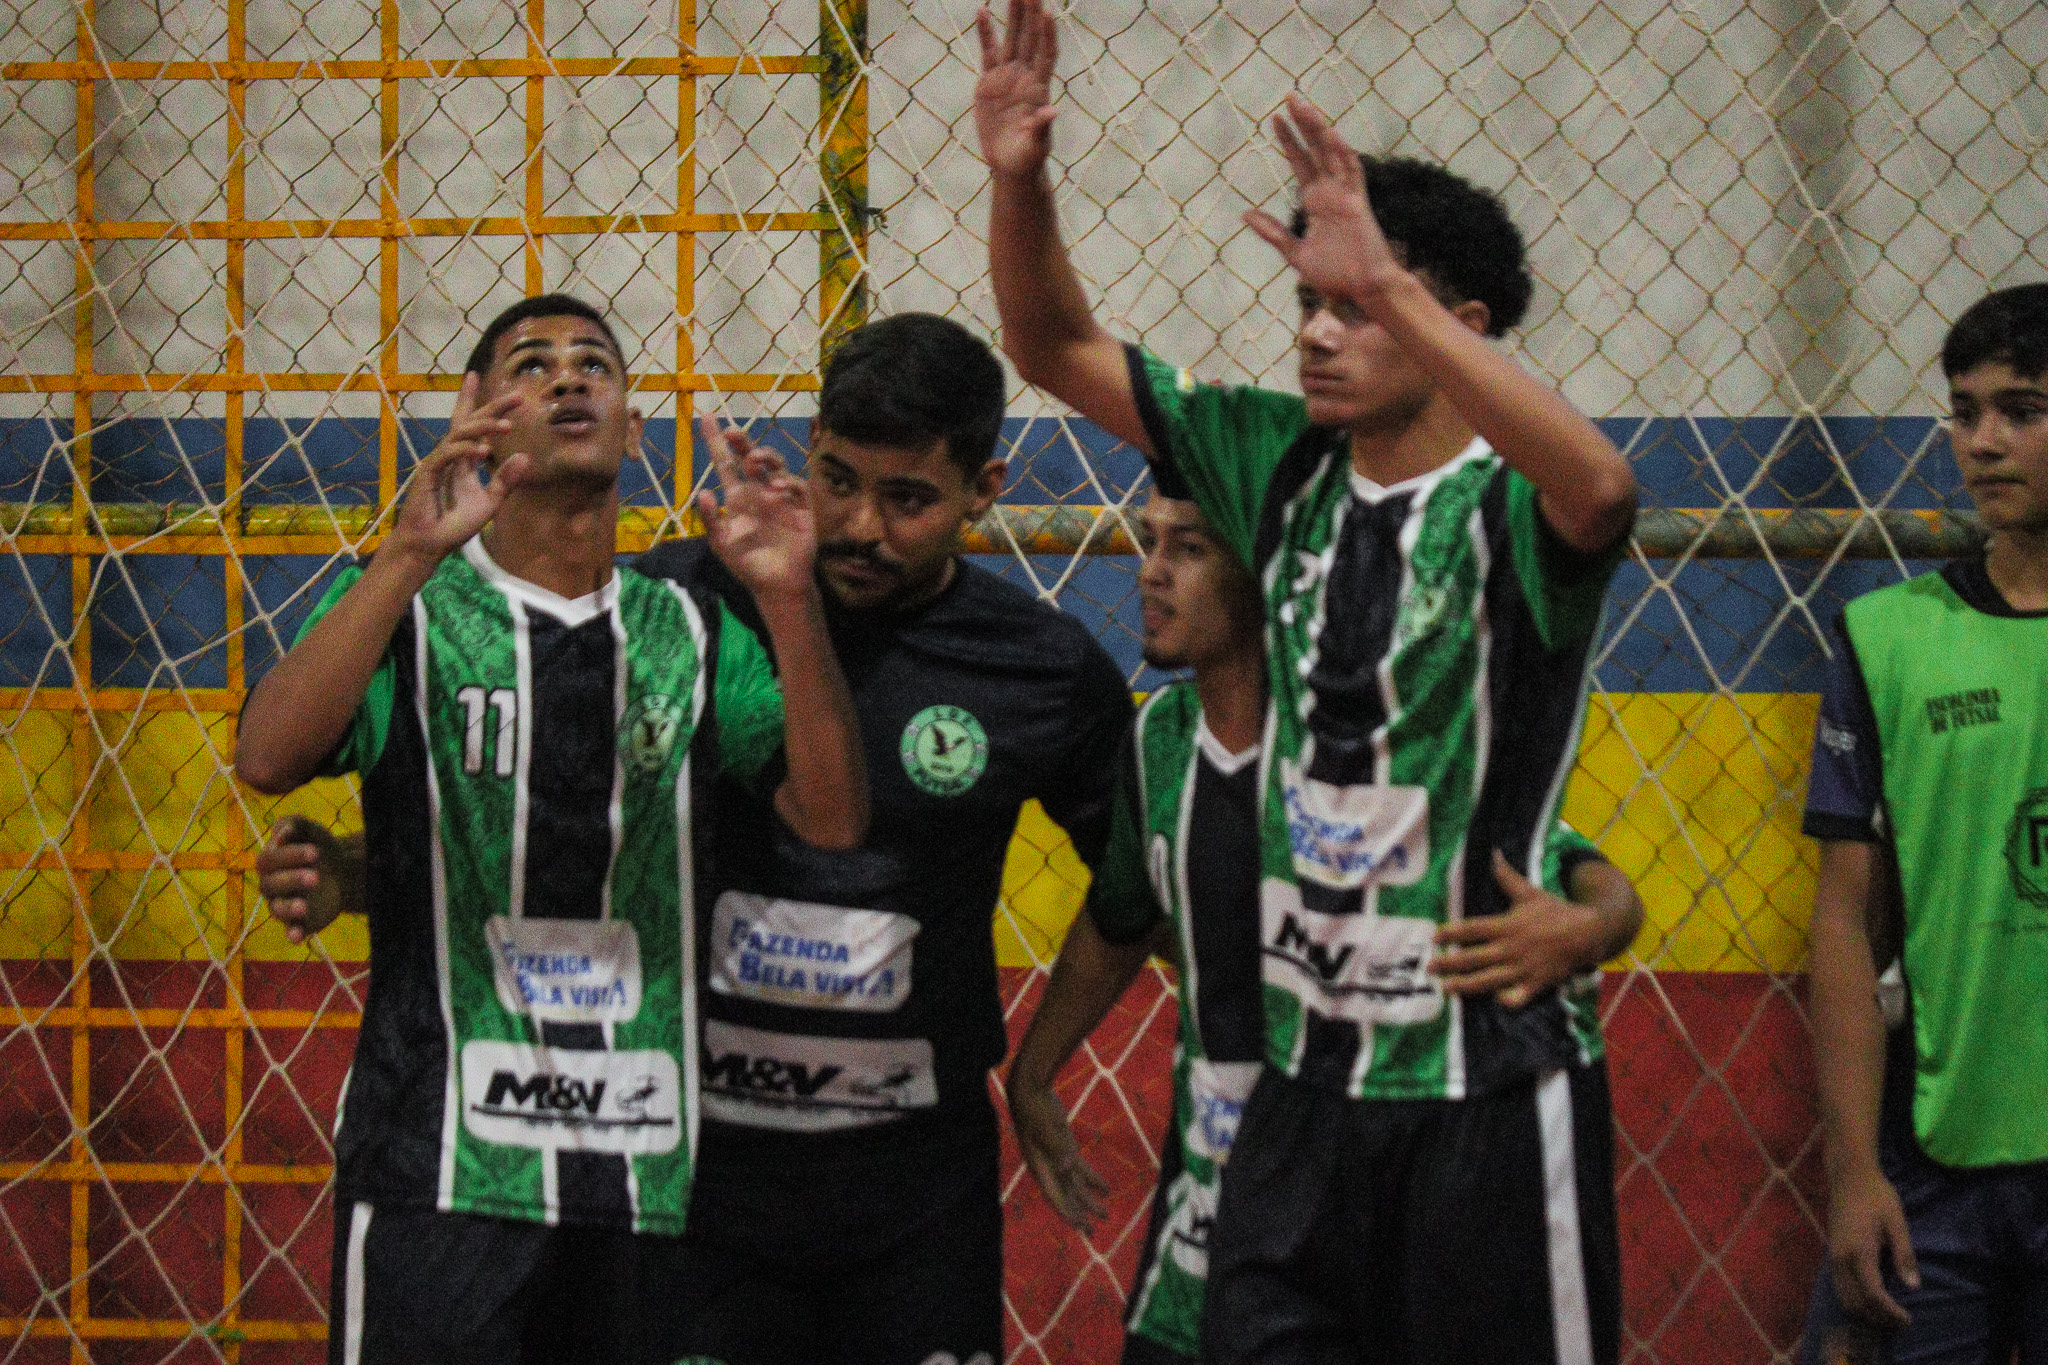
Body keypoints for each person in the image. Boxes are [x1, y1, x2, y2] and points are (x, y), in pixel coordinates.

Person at [259, 311, 1136, 1365]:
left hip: (889, 1171)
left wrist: (1039, 1066)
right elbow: (536, 806)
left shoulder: (1029, 663)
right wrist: (365, 869)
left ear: (981, 489)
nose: (860, 526)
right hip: (680, 1166)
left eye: (906, 499)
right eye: (838, 480)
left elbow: (1135, 876)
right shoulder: (672, 597)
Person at [975, 2, 1640, 1359]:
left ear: (1453, 323)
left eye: (1354, 309)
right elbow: (1049, 347)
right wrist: (1019, 180)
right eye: (1308, 307)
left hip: (1482, 1090)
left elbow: (1604, 490)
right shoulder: (1273, 460)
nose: (1318, 335)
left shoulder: (1511, 504)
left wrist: (1388, 284)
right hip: (1299, 1090)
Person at [236, 292, 868, 1365]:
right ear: (480, 417)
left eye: (595, 364)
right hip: (439, 1158)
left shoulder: (693, 630)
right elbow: (266, 756)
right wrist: (404, 553)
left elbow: (834, 818)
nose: (569, 377)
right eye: (532, 364)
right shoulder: (413, 610)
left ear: (634, 429)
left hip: (642, 1165)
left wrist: (790, 600)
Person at [1008, 494, 1644, 1365]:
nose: (1149, 573)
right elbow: (1120, 913)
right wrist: (1034, 1070)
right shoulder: (1159, 739)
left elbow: (1572, 867)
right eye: (1147, 543)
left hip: (1348, 1189)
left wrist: (1597, 923)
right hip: (1207, 1203)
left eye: (1187, 549)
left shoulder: (1362, 747)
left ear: (1271, 575)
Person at [1803, 281, 2048, 1365]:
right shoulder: (1886, 637)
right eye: (1963, 411)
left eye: (2022, 411)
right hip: (1932, 1173)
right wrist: (1853, 1171)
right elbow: (1846, 921)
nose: (1981, 442)